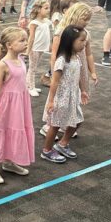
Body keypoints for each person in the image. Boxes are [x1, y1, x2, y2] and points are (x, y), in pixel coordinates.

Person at [0, 27, 33, 183]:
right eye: (22, 40)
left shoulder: (21, 59)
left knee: (15, 130)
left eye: (26, 39)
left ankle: (9, 161)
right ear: (9, 45)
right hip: (5, 106)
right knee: (0, 131)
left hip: (19, 104)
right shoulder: (3, 65)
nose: (26, 43)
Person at [41, 25, 90, 163]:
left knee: (77, 120)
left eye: (85, 40)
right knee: (55, 124)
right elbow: (55, 82)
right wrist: (51, 101)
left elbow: (79, 76)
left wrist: (83, 90)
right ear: (70, 41)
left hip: (73, 95)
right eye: (81, 40)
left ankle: (62, 144)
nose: (84, 43)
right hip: (61, 96)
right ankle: (47, 150)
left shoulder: (77, 58)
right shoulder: (62, 60)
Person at [26, 0, 52, 97]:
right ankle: (30, 87)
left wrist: (49, 45)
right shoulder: (34, 22)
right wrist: (28, 50)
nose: (48, 10)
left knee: (34, 67)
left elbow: (48, 34)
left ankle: (29, 85)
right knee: (32, 68)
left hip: (41, 48)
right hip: (35, 48)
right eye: (45, 8)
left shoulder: (46, 21)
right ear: (38, 9)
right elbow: (31, 37)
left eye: (48, 8)